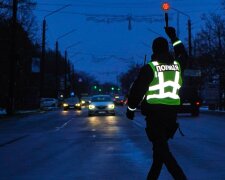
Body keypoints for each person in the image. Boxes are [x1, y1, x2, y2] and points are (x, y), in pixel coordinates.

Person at [126, 27, 188, 180]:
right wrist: (173, 36)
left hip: (155, 118)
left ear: (153, 49)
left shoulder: (150, 68)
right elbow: (183, 53)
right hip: (171, 117)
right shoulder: (177, 66)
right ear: (167, 49)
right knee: (159, 155)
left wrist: (131, 108)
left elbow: (137, 91)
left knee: (164, 154)